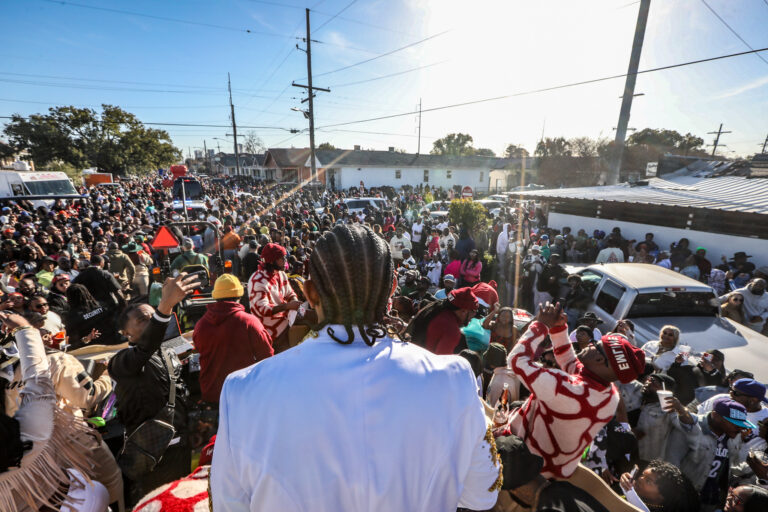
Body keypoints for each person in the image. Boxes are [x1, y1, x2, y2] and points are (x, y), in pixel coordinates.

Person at [212, 224, 501, 512]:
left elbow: (228, 506)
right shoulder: (453, 380)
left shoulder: (242, 391)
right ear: (392, 290)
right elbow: (482, 494)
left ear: (310, 293)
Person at [503, 302, 646, 479]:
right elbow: (571, 363)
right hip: (552, 471)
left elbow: (516, 361)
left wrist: (541, 326)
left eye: (595, 345)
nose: (589, 344)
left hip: (522, 464)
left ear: (601, 360)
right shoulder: (608, 395)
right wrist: (559, 329)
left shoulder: (568, 389)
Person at [0, 311, 109, 512]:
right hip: (71, 452)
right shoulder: (32, 434)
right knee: (106, 485)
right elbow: (84, 397)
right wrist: (25, 330)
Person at [110, 274, 199, 506]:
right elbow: (145, 349)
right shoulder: (121, 362)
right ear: (126, 333)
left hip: (179, 447)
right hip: (151, 456)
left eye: (153, 316)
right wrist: (165, 306)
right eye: (142, 319)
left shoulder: (168, 353)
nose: (150, 321)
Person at [665, 395, 755, 511]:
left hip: (709, 502)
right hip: (680, 498)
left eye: (741, 424)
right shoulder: (690, 428)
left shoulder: (733, 438)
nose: (739, 428)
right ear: (716, 416)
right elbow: (671, 463)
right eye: (734, 423)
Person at [194, 274, 273, 404]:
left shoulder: (200, 325)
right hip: (243, 396)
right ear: (239, 296)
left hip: (212, 396)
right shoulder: (249, 322)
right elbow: (267, 358)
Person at [247, 242, 302, 352]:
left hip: (287, 323)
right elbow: (262, 309)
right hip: (271, 335)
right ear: (272, 261)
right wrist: (287, 306)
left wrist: (295, 304)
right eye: (281, 258)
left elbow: (290, 293)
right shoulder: (257, 280)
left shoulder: (280, 274)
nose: (285, 260)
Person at [619, 460, 700, 512]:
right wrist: (625, 487)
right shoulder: (638, 496)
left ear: (662, 496)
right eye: (643, 475)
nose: (640, 479)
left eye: (648, 481)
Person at [696, 378, 768, 437]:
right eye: (731, 389)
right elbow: (697, 419)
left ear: (753, 400)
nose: (730, 393)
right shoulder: (720, 400)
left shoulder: (766, 419)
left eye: (736, 393)